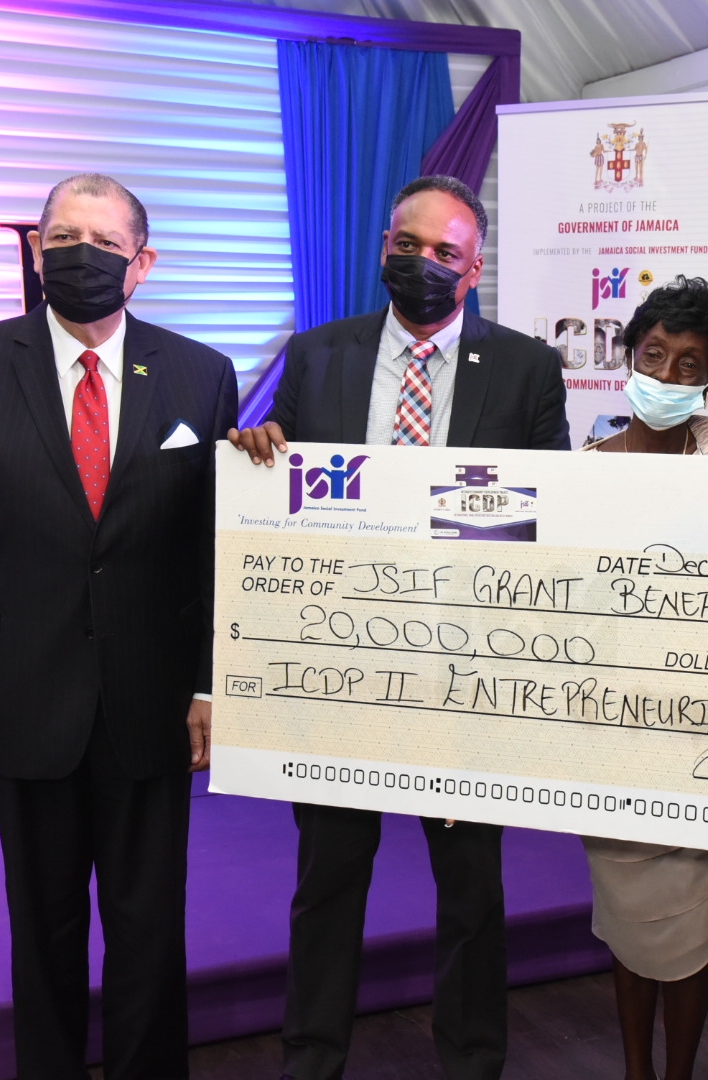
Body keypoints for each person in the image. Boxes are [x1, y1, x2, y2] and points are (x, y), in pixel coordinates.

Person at [229, 174, 569, 1080]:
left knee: (470, 890)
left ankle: (470, 1061)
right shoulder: (319, 354)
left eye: (444, 253)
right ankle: (312, 1060)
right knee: (329, 879)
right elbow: (282, 489)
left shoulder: (529, 367)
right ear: (384, 247)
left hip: (468, 668)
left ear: (474, 268)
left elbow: (550, 515)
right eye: (405, 245)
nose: (421, 263)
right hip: (341, 669)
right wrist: (260, 447)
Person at [0, 173, 236, 1079]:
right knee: (41, 929)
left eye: (98, 240)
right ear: (35, 250)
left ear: (142, 264)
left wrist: (211, 682)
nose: (75, 254)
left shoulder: (200, 374)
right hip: (23, 699)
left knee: (147, 931)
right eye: (59, 237)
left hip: (150, 701)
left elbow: (215, 544)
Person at [580, 275, 708, 1080]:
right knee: (627, 916)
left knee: (695, 924)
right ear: (629, 355)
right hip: (614, 734)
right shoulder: (583, 471)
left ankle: (676, 1073)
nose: (668, 373)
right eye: (655, 354)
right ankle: (634, 1069)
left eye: (691, 364)